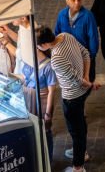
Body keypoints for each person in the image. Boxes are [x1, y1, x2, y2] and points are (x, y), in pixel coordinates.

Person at [36, 27, 95, 172]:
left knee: (76, 131)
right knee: (80, 123)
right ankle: (81, 152)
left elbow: (76, 80)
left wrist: (90, 84)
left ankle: (78, 166)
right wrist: (87, 77)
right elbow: (86, 54)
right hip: (81, 92)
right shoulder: (66, 35)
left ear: (44, 45)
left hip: (72, 97)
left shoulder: (56, 59)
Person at [54, 0, 100, 81]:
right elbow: (57, 34)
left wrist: (91, 57)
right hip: (67, 58)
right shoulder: (62, 14)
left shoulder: (88, 16)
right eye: (73, 0)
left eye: (79, 0)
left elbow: (93, 38)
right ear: (67, 1)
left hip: (84, 58)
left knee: (87, 82)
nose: (77, 3)